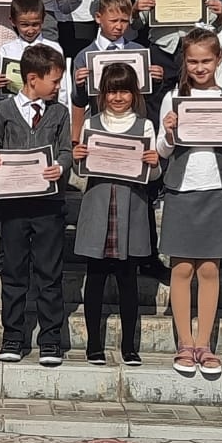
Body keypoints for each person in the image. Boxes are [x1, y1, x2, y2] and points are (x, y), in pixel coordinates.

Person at [156, 28, 222, 377]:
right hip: (182, 189)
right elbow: (162, 150)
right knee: (181, 268)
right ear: (184, 61)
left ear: (218, 59)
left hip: (216, 190)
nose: (199, 67)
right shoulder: (173, 98)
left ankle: (205, 344)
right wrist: (169, 131)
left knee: (210, 269)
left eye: (206, 61)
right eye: (193, 61)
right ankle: (184, 342)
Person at [0, 44, 72, 367]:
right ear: (33, 79)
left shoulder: (59, 113)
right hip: (12, 207)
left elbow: (66, 150)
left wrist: (60, 167)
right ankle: (12, 336)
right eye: (55, 80)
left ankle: (50, 339)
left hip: (48, 206)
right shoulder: (3, 111)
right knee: (14, 273)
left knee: (49, 274)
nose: (58, 86)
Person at [72, 63, 159, 366]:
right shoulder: (91, 123)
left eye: (123, 91)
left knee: (127, 280)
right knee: (95, 279)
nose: (117, 97)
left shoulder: (144, 126)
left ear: (134, 93)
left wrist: (154, 163)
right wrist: (78, 157)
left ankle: (128, 346)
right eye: (111, 91)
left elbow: (152, 174)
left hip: (131, 209)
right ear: (102, 94)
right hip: (98, 206)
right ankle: (93, 345)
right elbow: (81, 170)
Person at [70, 0, 158, 144]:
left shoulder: (138, 52)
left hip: (132, 127)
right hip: (99, 126)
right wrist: (79, 86)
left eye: (124, 21)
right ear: (98, 18)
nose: (119, 26)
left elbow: (147, 97)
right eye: (113, 21)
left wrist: (156, 81)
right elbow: (80, 101)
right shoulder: (84, 56)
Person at [0, 0, 70, 107]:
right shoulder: (6, 50)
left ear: (43, 20)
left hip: (47, 108)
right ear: (13, 21)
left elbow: (62, 86)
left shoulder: (54, 48)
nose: (30, 30)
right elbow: (2, 94)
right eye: (24, 25)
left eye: (35, 24)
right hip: (16, 109)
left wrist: (61, 109)